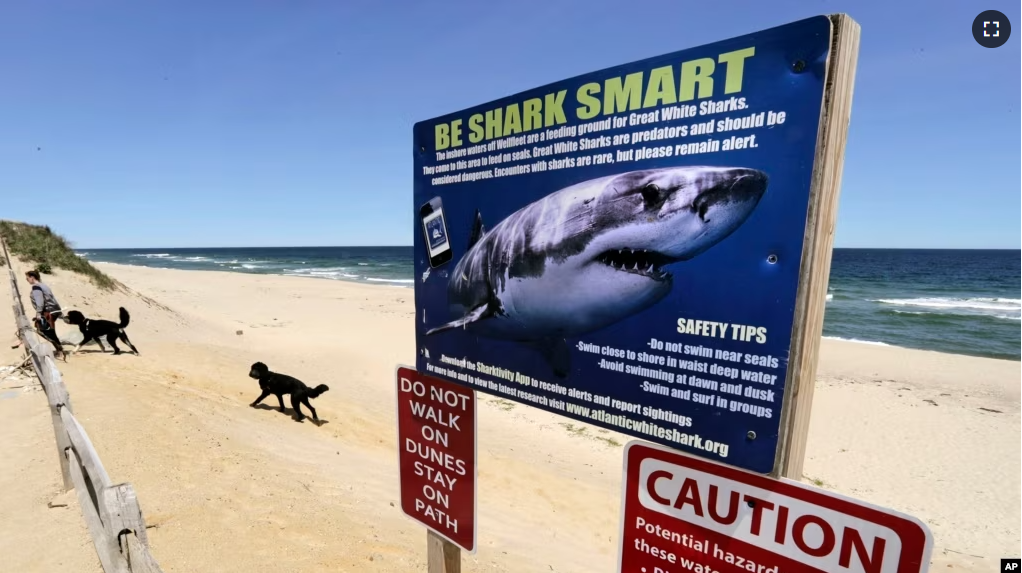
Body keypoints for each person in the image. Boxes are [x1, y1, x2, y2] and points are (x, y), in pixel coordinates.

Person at [25, 270, 65, 359]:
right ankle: (60, 349)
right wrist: (59, 311)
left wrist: (38, 313)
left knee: (45, 331)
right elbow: (53, 298)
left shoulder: (36, 287)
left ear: (32, 277)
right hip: (53, 310)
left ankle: (60, 351)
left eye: (27, 278)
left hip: (47, 312)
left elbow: (40, 302)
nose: (27, 280)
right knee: (48, 331)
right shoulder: (43, 285)